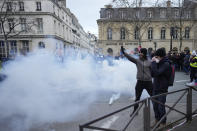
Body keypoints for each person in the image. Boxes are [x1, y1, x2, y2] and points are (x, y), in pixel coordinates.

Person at [121, 46, 153, 115]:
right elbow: (130, 58)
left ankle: (157, 111)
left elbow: (153, 71)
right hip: (140, 82)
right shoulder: (137, 60)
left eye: (141, 52)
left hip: (148, 82)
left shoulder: (149, 62)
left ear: (144, 53)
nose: (139, 53)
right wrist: (124, 52)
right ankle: (135, 111)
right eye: (139, 52)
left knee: (153, 96)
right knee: (137, 98)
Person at [151, 48, 171, 127]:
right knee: (155, 106)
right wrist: (153, 64)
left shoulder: (166, 64)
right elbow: (153, 74)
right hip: (155, 87)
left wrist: (153, 63)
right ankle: (157, 120)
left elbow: (157, 73)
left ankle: (163, 123)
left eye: (156, 56)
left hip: (162, 88)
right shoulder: (158, 62)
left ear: (161, 56)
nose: (155, 58)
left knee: (160, 106)